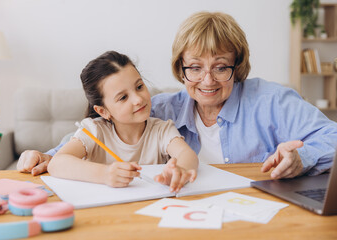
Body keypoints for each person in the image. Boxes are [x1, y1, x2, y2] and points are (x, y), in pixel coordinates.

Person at [18, 11, 337, 180]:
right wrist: (46, 157)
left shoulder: (272, 100)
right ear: (180, 68)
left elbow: (332, 137)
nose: (207, 80)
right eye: (195, 68)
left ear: (238, 66)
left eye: (221, 67)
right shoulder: (159, 109)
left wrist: (302, 158)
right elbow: (86, 141)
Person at [47, 51, 198, 192]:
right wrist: (105, 174)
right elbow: (56, 163)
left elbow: (187, 154)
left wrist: (180, 169)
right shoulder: (95, 130)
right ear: (103, 111)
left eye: (139, 87)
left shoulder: (161, 130)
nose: (138, 99)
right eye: (123, 98)